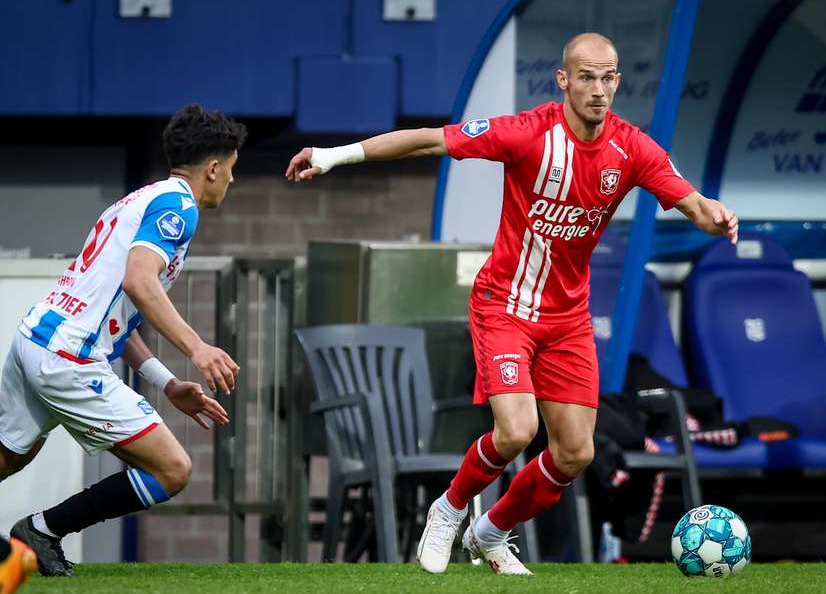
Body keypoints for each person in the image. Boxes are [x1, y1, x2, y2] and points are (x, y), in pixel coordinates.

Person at [285, 33, 738, 575]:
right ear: (563, 80)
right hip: (505, 306)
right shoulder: (527, 134)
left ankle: (491, 533)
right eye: (587, 77)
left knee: (576, 453)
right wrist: (334, 155)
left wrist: (713, 214)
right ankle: (449, 510)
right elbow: (430, 140)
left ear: (618, 81)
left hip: (567, 320)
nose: (598, 90)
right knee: (518, 430)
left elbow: (687, 198)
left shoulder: (631, 147)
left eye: (608, 77)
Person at [0, 104, 245, 576]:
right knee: (172, 470)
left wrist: (168, 382)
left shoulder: (136, 200)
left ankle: (37, 532)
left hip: (37, 339)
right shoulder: (180, 207)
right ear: (213, 168)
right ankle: (40, 531)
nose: (231, 181)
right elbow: (138, 281)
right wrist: (198, 348)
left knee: (8, 457)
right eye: (231, 170)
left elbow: (116, 315)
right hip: (67, 358)